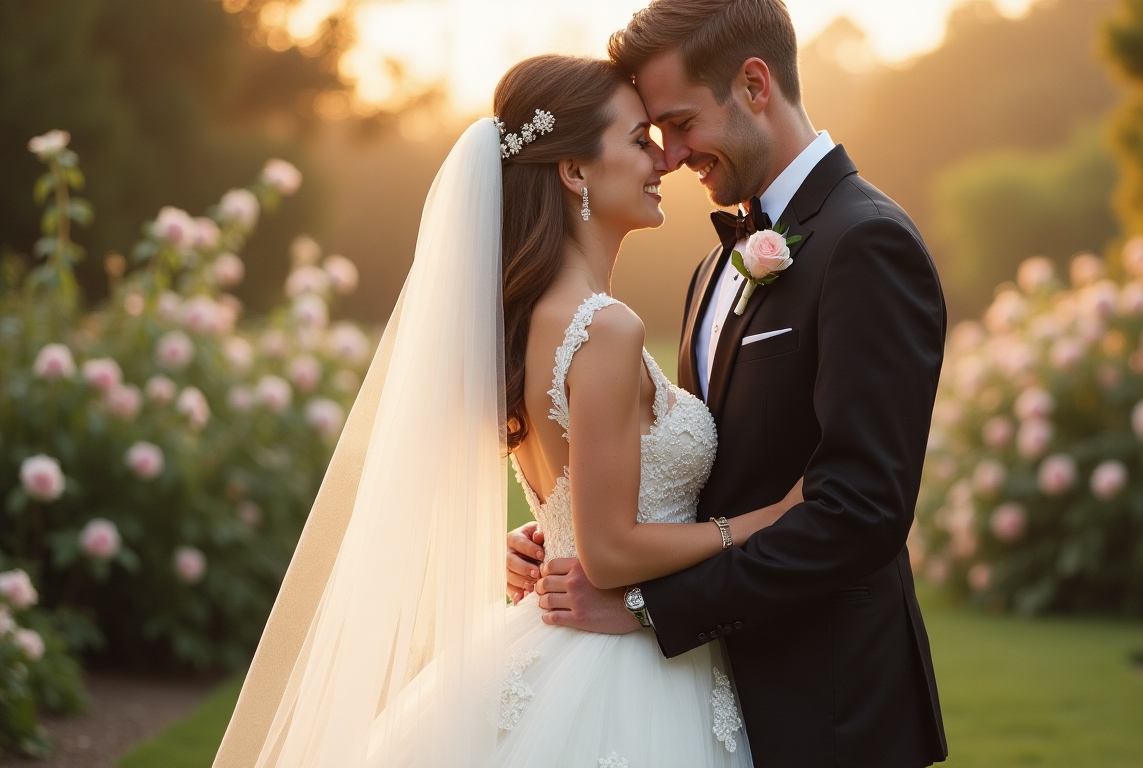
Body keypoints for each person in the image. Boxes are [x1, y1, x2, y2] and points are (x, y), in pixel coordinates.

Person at [213, 53, 803, 768]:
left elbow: (580, 514)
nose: (662, 161)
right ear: (575, 171)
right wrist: (759, 524)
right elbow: (611, 551)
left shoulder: (533, 323)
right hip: (620, 669)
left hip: (565, 632)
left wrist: (545, 539)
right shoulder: (604, 327)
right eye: (637, 140)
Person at [507, 1, 949, 766]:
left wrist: (649, 605)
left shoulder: (867, 242)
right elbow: (689, 473)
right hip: (709, 694)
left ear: (753, 84)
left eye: (679, 124)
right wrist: (562, 532)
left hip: (831, 707)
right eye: (652, 134)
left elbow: (860, 512)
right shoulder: (713, 266)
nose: (670, 156)